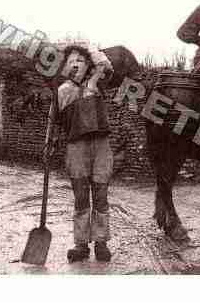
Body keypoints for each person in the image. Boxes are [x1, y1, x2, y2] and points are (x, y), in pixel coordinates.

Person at [56, 43, 114, 262]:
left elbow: (105, 65)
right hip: (76, 148)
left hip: (100, 146)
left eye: (79, 61)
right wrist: (49, 144)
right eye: (71, 61)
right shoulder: (62, 91)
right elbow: (54, 121)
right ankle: (81, 245)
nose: (74, 65)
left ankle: (101, 243)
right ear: (65, 66)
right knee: (81, 197)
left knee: (101, 195)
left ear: (88, 64)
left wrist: (87, 49)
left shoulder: (98, 82)